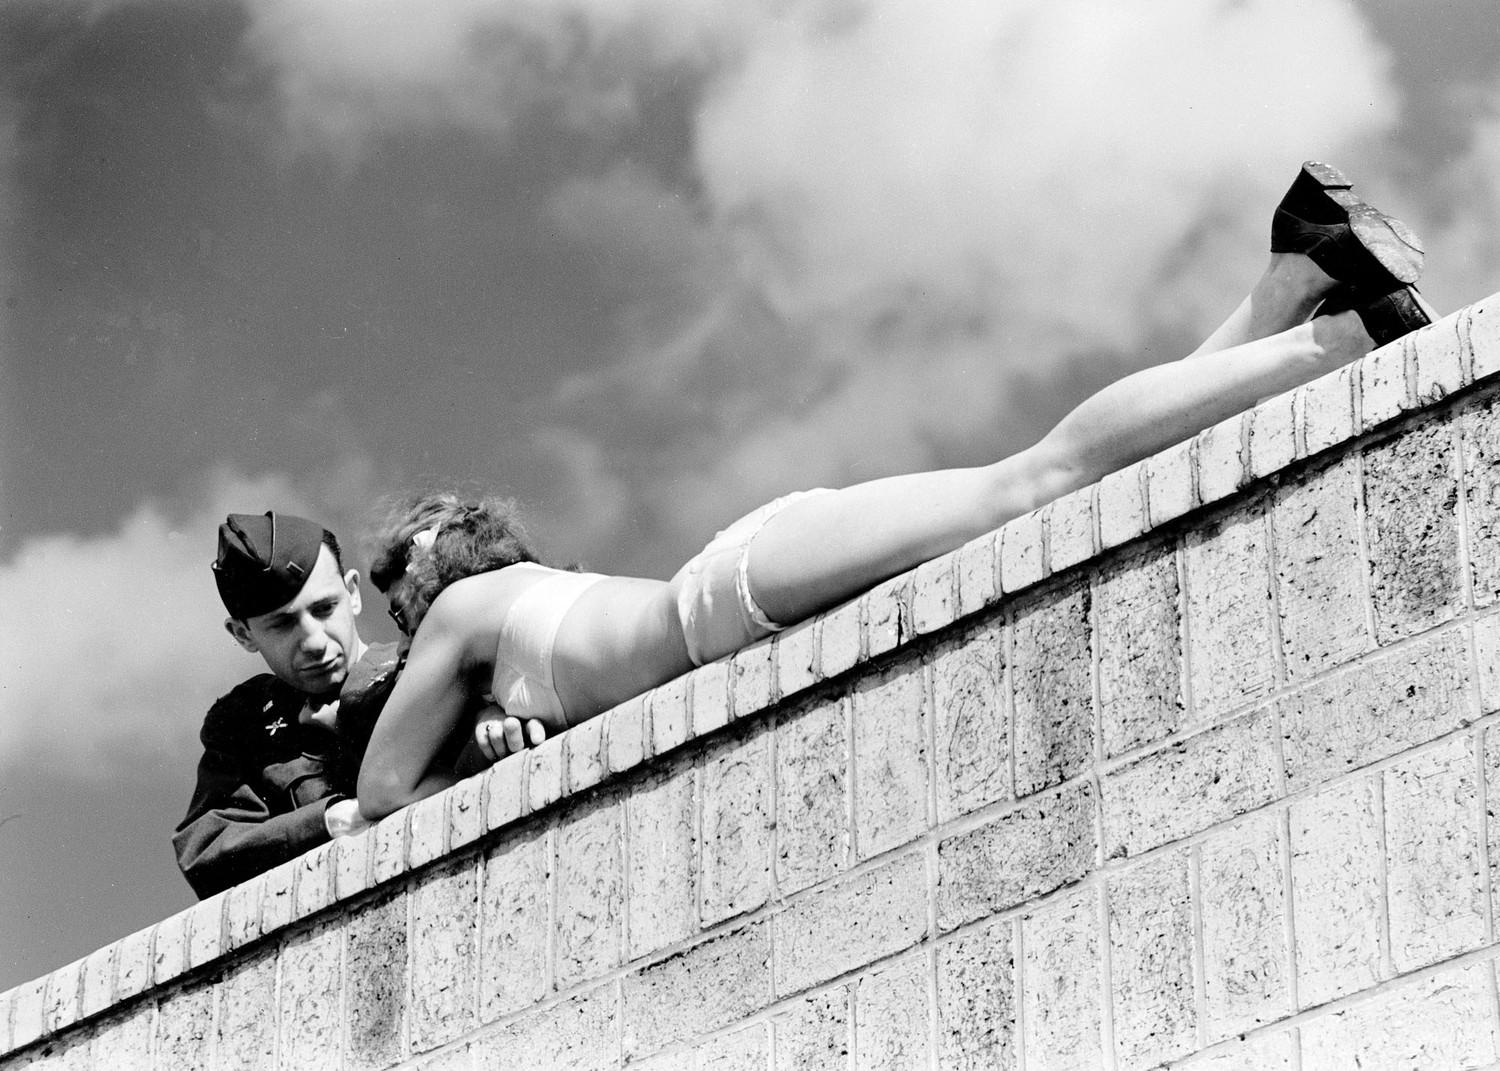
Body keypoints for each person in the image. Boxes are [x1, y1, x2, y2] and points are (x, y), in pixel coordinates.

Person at [355, 161, 1435, 821]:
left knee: (1033, 485)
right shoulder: (531, 615)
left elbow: (382, 796)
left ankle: (1337, 339)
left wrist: (472, 771)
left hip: (726, 595)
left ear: (436, 565)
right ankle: (1296, 274)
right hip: (735, 581)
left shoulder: (460, 614)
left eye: (397, 597)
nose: (402, 625)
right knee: (1064, 494)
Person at [172, 511, 531, 897]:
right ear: (243, 635)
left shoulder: (422, 670)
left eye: (324, 609)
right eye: (282, 624)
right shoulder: (243, 722)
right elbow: (206, 851)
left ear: (353, 593)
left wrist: (490, 723)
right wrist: (332, 819)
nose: (314, 641)